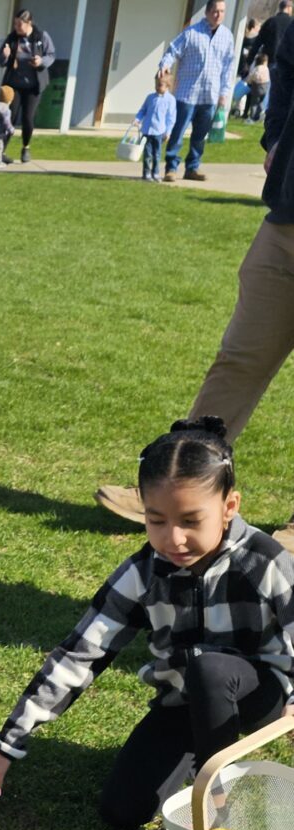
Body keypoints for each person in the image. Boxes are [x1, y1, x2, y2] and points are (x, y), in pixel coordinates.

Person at [0, 418, 294, 830]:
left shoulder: (265, 559)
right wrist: (8, 742)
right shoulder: (143, 573)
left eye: (191, 521)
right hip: (184, 702)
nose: (173, 539)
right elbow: (80, 654)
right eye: (157, 520)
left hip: (259, 697)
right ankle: (191, 768)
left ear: (229, 506)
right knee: (121, 811)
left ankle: (213, 823)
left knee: (209, 669)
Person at [95, 22, 294, 555]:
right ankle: (177, 486)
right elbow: (287, 76)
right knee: (237, 360)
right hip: (286, 219)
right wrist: (275, 138)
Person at [158, 0, 234, 183]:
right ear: (207, 12)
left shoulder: (227, 36)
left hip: (210, 95)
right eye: (215, 11)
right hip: (187, 93)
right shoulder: (191, 33)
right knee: (178, 132)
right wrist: (165, 65)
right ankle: (171, 168)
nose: (218, 15)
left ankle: (192, 167)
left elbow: (228, 68)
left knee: (200, 135)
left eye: (222, 11)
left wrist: (224, 93)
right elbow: (172, 51)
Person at [0, 8, 55, 164]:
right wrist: (5, 56)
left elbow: (51, 55)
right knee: (9, 117)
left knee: (28, 118)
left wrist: (41, 61)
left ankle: (25, 147)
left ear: (29, 23)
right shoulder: (12, 38)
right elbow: (0, 60)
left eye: (19, 24)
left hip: (33, 86)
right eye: (15, 24)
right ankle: (1, 151)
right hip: (14, 85)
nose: (16, 27)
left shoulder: (41, 36)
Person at [131, 72, 177, 183]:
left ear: (168, 85)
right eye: (156, 84)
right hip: (147, 130)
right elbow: (143, 110)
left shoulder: (170, 100)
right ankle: (146, 173)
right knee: (147, 154)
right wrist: (137, 119)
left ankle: (155, 173)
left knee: (157, 154)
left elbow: (171, 118)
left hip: (159, 132)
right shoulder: (150, 97)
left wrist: (168, 132)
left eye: (160, 85)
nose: (157, 87)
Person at [249, 0, 292, 69]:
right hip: (286, 65)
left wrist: (249, 61)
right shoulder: (291, 24)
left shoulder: (270, 21)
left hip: (269, 61)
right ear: (288, 8)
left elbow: (257, 42)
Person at [245, 52, 270, 122]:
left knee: (254, 103)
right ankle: (259, 114)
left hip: (257, 87)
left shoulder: (257, 68)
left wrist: (248, 81)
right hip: (265, 87)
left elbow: (251, 76)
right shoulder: (266, 68)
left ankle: (252, 117)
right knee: (261, 102)